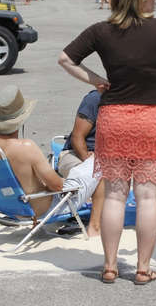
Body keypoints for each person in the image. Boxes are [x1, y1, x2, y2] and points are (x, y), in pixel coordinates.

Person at [58, 0, 156, 285]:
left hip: (114, 117)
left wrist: (96, 80)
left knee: (115, 197)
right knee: (147, 198)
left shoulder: (101, 30)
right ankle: (143, 269)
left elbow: (65, 59)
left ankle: (109, 265)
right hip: (153, 118)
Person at [0, 85, 99, 222]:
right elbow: (57, 186)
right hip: (41, 210)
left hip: (8, 207)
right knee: (99, 163)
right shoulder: (25, 147)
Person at [57, 90, 105, 236]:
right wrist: (87, 159)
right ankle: (95, 226)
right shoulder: (96, 98)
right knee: (97, 173)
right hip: (75, 154)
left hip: (105, 159)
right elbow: (77, 136)